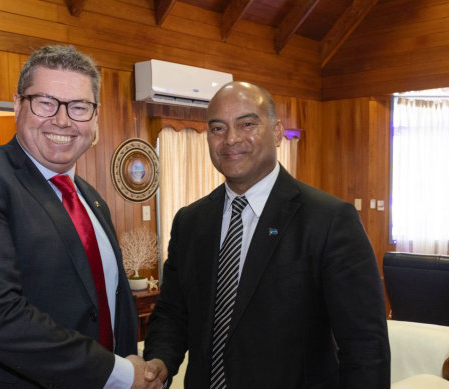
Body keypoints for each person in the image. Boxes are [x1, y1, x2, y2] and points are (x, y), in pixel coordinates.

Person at [0, 45, 161, 389]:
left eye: (78, 107)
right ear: (18, 105)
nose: (62, 120)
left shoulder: (91, 199)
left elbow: (107, 305)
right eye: (46, 102)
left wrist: (130, 366)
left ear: (95, 116)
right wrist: (117, 373)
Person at [142, 81, 391, 388]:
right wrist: (159, 362)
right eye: (218, 128)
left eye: (247, 124)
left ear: (276, 133)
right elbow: (172, 313)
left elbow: (365, 346)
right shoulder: (190, 221)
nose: (231, 139)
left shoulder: (329, 221)